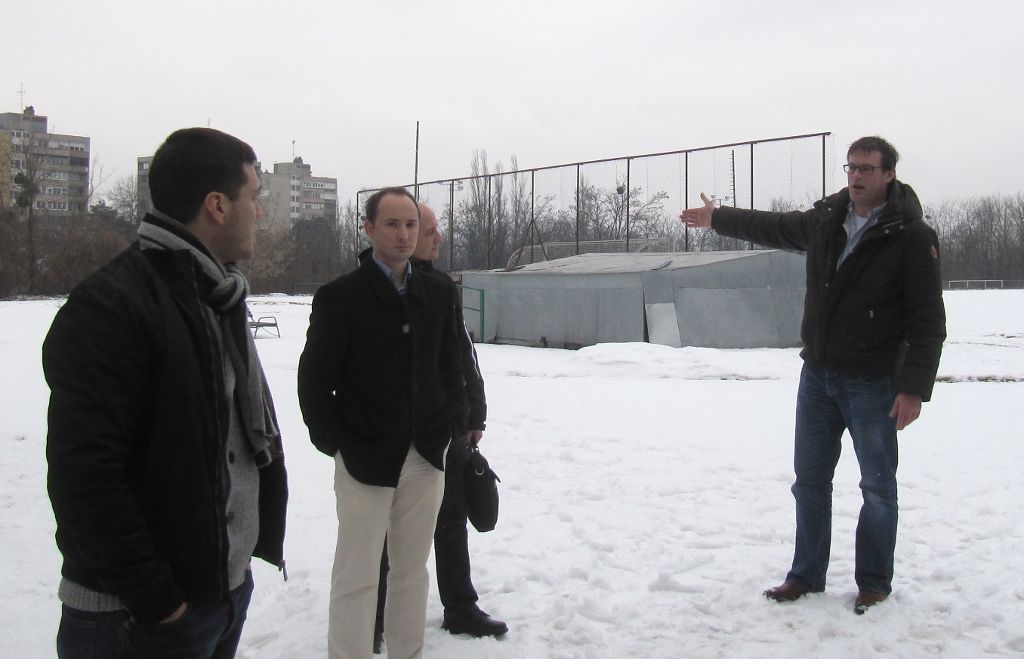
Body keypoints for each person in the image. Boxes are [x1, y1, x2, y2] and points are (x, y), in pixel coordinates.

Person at [43, 127, 288, 658]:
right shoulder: (112, 305)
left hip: (217, 594)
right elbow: (85, 480)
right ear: (217, 206)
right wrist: (160, 604)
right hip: (134, 618)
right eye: (254, 198)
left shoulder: (217, 294)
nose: (259, 213)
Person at [679, 136, 945, 614]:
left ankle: (874, 583)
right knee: (809, 482)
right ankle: (805, 575)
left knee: (877, 487)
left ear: (889, 175)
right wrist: (719, 217)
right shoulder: (827, 219)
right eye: (851, 167)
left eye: (867, 169)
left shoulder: (910, 235)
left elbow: (928, 320)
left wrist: (913, 389)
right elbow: (775, 227)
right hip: (819, 376)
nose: (856, 176)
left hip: (873, 382)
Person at [297, 187, 468, 659]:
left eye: (411, 224)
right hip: (364, 457)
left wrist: (447, 425)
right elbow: (314, 380)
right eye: (392, 224)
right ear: (369, 229)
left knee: (411, 573)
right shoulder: (341, 297)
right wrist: (337, 441)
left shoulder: (438, 293)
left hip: (425, 455)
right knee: (356, 576)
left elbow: (452, 365)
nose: (404, 234)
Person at [370, 204, 507, 652]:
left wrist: (473, 416)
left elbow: (462, 358)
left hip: (447, 429)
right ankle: (373, 617)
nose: (435, 237)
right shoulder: (381, 289)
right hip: (397, 436)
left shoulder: (441, 289)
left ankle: (460, 607)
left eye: (426, 229)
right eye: (427, 230)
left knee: (451, 520)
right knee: (388, 530)